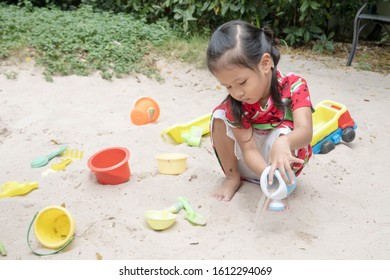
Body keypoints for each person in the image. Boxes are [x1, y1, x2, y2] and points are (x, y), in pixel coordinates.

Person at [207, 20, 313, 202]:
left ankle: (279, 181)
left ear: (265, 64)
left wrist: (285, 142)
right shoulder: (235, 103)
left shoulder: (294, 85)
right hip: (253, 165)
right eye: (228, 86)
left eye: (241, 83)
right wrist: (266, 175)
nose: (237, 93)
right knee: (219, 116)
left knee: (283, 132)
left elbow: (306, 132)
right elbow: (248, 149)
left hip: (285, 162)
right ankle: (233, 178)